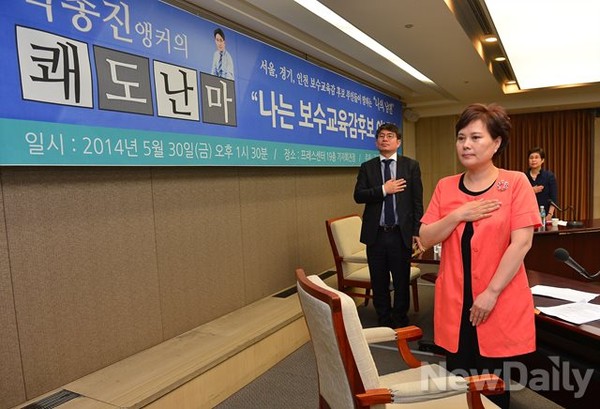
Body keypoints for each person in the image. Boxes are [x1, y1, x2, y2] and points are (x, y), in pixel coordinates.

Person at [419, 103, 540, 409]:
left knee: (493, 385)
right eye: (461, 138)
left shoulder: (515, 183)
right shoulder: (445, 187)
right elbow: (426, 237)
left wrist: (491, 292)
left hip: (496, 300)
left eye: (475, 137)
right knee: (458, 383)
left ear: (496, 143)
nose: (466, 145)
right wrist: (459, 214)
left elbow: (522, 243)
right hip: (455, 302)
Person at [354, 122, 424, 329]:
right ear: (377, 141)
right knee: (379, 280)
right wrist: (384, 190)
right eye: (381, 136)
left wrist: (416, 231)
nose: (385, 139)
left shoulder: (410, 166)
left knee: (401, 280)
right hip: (376, 234)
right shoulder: (367, 167)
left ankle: (400, 319)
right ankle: (383, 319)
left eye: (390, 136)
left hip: (400, 233)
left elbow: (417, 201)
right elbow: (358, 195)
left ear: (398, 142)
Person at [525, 147, 558, 218]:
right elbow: (519, 197)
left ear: (542, 160)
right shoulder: (523, 177)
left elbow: (553, 198)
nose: (533, 160)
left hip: (546, 215)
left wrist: (550, 214)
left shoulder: (549, 176)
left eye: (536, 157)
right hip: (528, 215)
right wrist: (531, 191)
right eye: (531, 158)